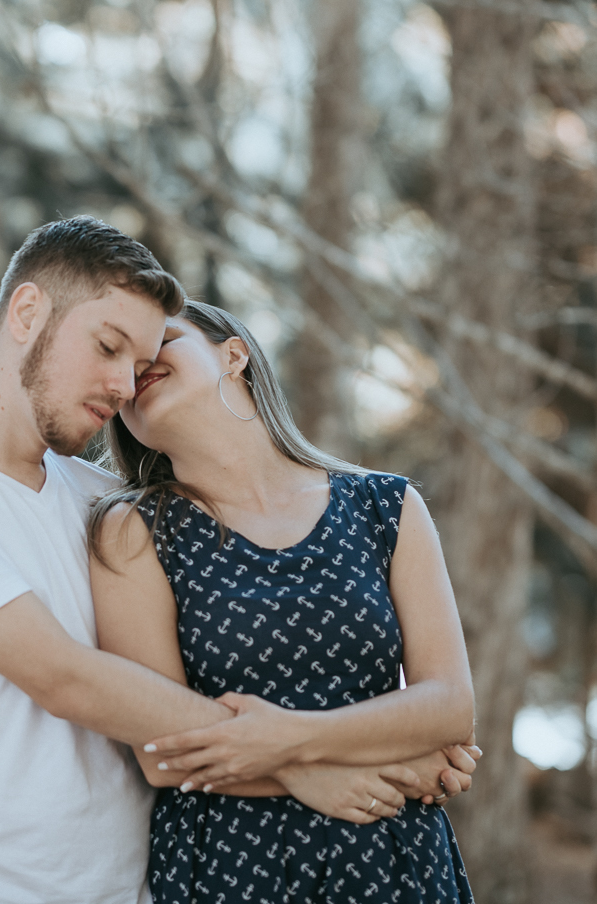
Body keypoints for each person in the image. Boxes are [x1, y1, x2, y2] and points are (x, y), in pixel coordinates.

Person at [0, 216, 475, 904]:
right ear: (27, 312)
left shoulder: (104, 501)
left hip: (135, 886)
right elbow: (68, 679)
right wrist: (307, 764)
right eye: (109, 347)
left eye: (139, 365)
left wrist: (375, 742)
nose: (124, 387)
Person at [89, 300, 480, 903]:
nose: (138, 365)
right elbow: (163, 756)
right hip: (233, 863)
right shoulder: (131, 531)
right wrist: (318, 771)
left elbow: (450, 707)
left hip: (395, 858)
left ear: (234, 353)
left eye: (160, 342)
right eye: (124, 365)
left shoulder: (386, 507)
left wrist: (289, 737)